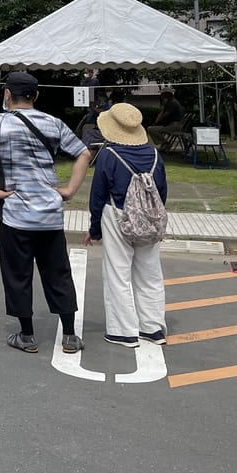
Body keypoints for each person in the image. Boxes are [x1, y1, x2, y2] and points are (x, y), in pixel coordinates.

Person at [0, 70, 90, 354]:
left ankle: (27, 335)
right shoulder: (53, 123)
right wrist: (70, 189)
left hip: (16, 215)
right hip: (49, 214)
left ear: (7, 95)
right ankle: (70, 335)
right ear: (36, 96)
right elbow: (84, 153)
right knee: (58, 273)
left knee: (18, 274)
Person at [85, 103, 168, 348]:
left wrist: (94, 229)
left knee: (118, 273)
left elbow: (97, 196)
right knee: (150, 274)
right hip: (149, 219)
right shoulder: (154, 154)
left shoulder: (109, 155)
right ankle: (153, 328)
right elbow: (161, 192)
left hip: (117, 215)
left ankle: (123, 331)